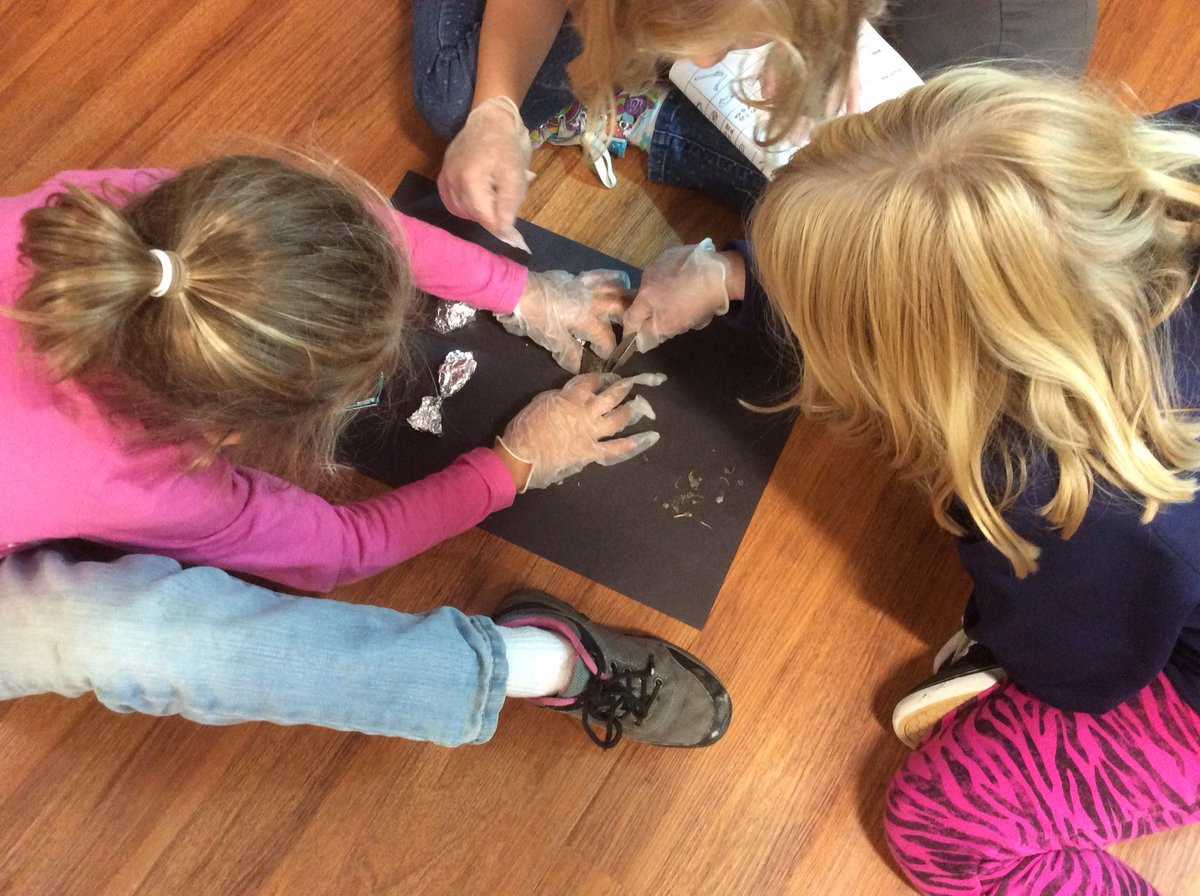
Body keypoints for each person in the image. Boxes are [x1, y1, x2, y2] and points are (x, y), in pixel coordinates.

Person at [0, 156, 731, 748]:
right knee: (131, 639)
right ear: (226, 435)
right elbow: (342, 549)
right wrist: (517, 461)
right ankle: (531, 666)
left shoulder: (138, 223)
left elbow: (336, 236)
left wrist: (522, 291)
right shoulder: (148, 481)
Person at [744, 68, 1200, 894]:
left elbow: (1081, 677)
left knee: (946, 830)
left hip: (1153, 665)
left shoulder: (1050, 490)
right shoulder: (1169, 155)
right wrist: (740, 276)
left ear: (916, 363)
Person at [410, 0, 1097, 241]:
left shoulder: (991, 63)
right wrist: (495, 108)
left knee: (816, 216)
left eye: (732, 43)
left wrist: (738, 277)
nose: (705, 58)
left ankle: (651, 110)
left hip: (952, 83)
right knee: (456, 100)